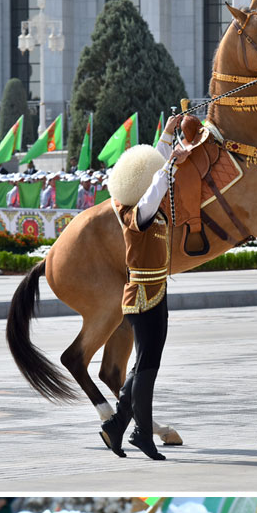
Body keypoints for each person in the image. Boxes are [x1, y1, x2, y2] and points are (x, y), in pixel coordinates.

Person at [98, 113, 189, 461]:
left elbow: (149, 178)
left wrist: (166, 137)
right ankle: (141, 432)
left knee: (142, 366)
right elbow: (153, 189)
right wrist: (170, 168)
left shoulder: (137, 206)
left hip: (155, 294)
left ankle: (118, 425)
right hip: (143, 298)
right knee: (148, 366)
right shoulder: (135, 214)